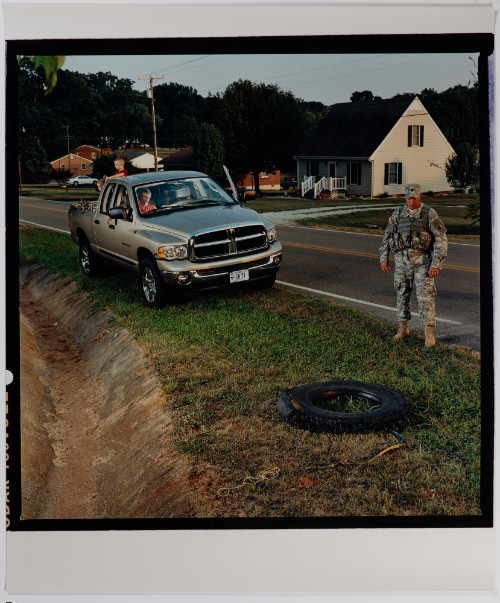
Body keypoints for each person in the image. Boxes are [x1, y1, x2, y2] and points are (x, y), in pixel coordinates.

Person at [379, 183, 448, 347]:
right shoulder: (397, 213)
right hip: (402, 260)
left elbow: (441, 239)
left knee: (425, 297)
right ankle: (403, 328)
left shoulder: (429, 213)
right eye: (409, 198)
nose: (411, 202)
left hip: (422, 261)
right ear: (405, 197)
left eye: (414, 198)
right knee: (401, 293)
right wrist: (383, 257)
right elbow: (388, 236)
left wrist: (436, 264)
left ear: (420, 196)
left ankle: (428, 333)